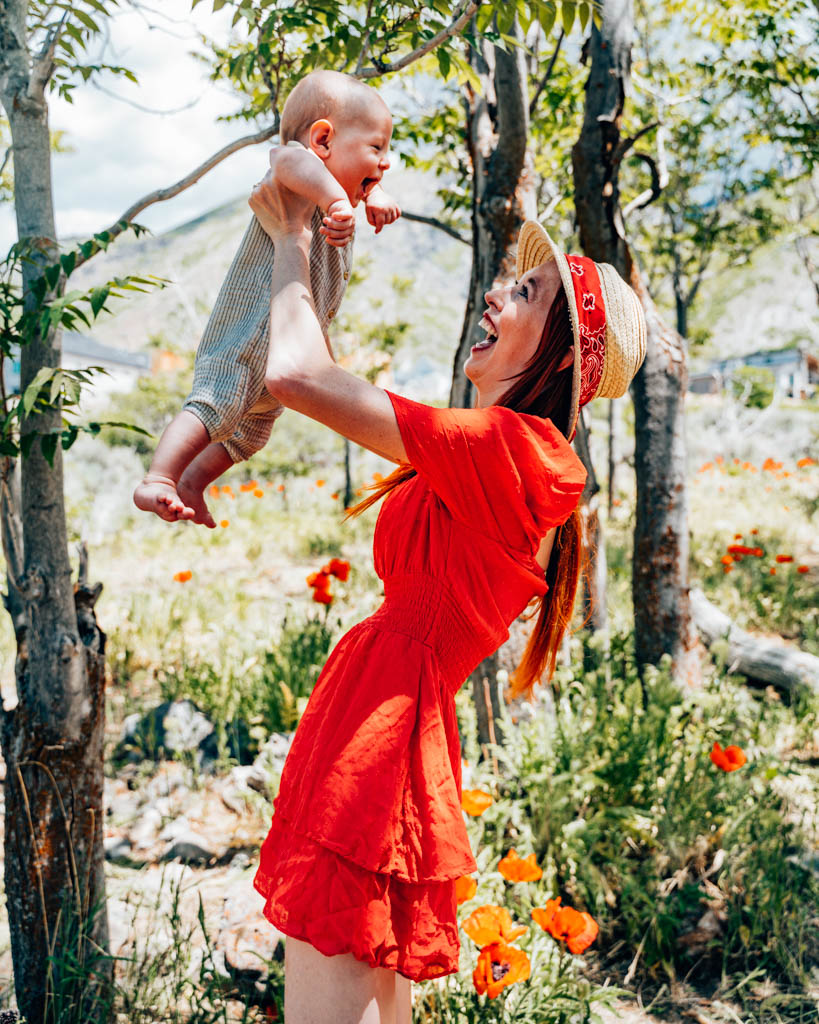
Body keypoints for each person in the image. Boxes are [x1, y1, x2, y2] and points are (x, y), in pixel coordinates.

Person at [248, 149, 647, 1023]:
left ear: (559, 354)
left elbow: (296, 376)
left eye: (527, 294)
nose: (494, 296)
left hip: (382, 739)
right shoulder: (494, 451)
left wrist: (286, 234)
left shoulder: (518, 452)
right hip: (382, 723)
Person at [133, 70, 400, 528]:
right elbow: (286, 161)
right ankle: (159, 476)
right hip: (247, 332)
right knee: (214, 405)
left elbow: (358, 184)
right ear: (321, 139)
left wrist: (373, 195)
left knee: (250, 433)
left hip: (283, 344)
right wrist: (338, 200)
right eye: (376, 148)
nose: (386, 162)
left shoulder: (332, 184)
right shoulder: (297, 168)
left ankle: (193, 481)